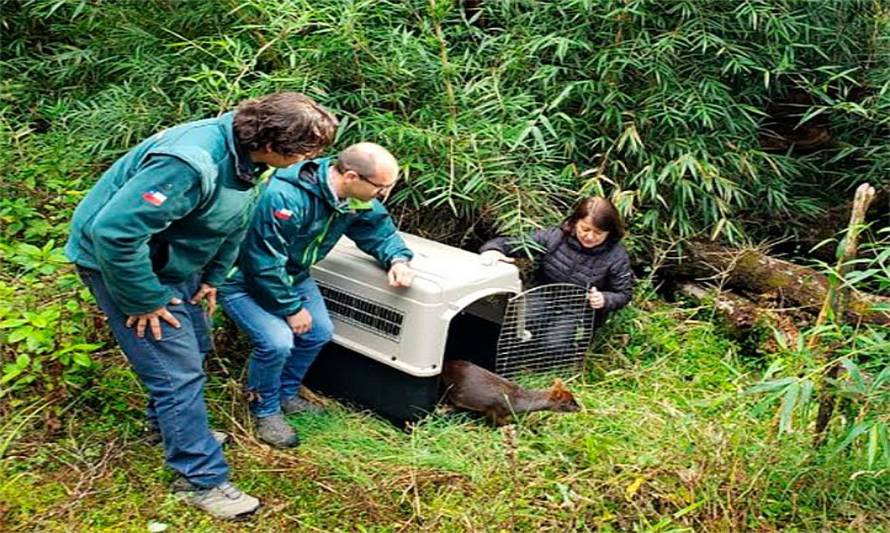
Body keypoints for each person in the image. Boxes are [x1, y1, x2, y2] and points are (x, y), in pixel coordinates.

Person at [64, 92, 338, 519]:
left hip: (174, 258)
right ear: (270, 142)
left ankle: (168, 428)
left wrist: (213, 276)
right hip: (122, 264)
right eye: (306, 151)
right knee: (176, 371)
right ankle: (199, 478)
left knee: (196, 346)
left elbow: (235, 219)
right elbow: (115, 234)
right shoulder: (190, 162)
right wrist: (145, 299)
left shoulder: (250, 160)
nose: (312, 160)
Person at [220, 142, 415, 448]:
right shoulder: (284, 197)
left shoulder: (353, 197)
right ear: (351, 176)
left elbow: (377, 228)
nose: (383, 195)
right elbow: (262, 262)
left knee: (319, 332)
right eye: (382, 187)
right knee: (276, 342)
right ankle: (264, 409)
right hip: (241, 278)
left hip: (293, 275)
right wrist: (291, 308)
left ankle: (286, 393)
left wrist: (397, 259)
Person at [480, 196, 633, 349]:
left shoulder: (617, 256)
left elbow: (623, 294)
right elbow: (516, 243)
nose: (590, 236)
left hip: (578, 309)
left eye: (598, 233)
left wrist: (604, 299)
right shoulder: (555, 237)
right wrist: (493, 249)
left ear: (609, 232)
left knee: (553, 345)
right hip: (543, 293)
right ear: (574, 223)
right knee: (518, 323)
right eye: (585, 229)